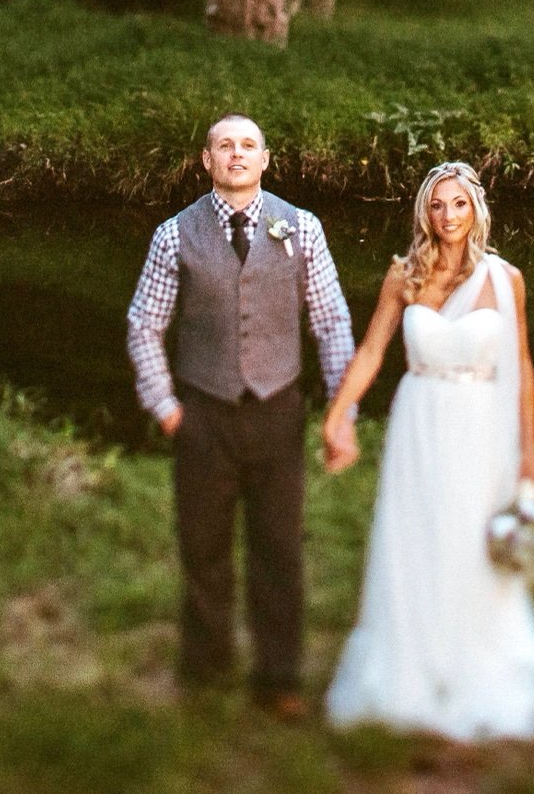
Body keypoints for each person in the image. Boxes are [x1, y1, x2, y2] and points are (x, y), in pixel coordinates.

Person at [319, 161, 534, 740]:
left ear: (476, 209)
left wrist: (528, 450)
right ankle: (414, 659)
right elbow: (370, 355)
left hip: (481, 426)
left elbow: (523, 367)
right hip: (419, 422)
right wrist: (338, 419)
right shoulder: (403, 276)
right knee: (419, 535)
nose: (448, 216)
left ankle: (475, 655)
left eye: (458, 204)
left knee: (470, 539)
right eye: (437, 205)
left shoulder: (505, 278)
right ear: (424, 214)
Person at [125, 114, 353, 720]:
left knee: (278, 547)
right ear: (207, 161)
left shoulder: (301, 227)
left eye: (247, 145)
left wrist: (340, 410)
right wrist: (167, 408)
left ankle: (278, 679)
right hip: (205, 411)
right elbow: (145, 324)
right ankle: (204, 674)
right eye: (225, 146)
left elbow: (330, 322)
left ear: (265, 159)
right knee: (204, 547)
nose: (236, 155)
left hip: (278, 410)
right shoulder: (174, 235)